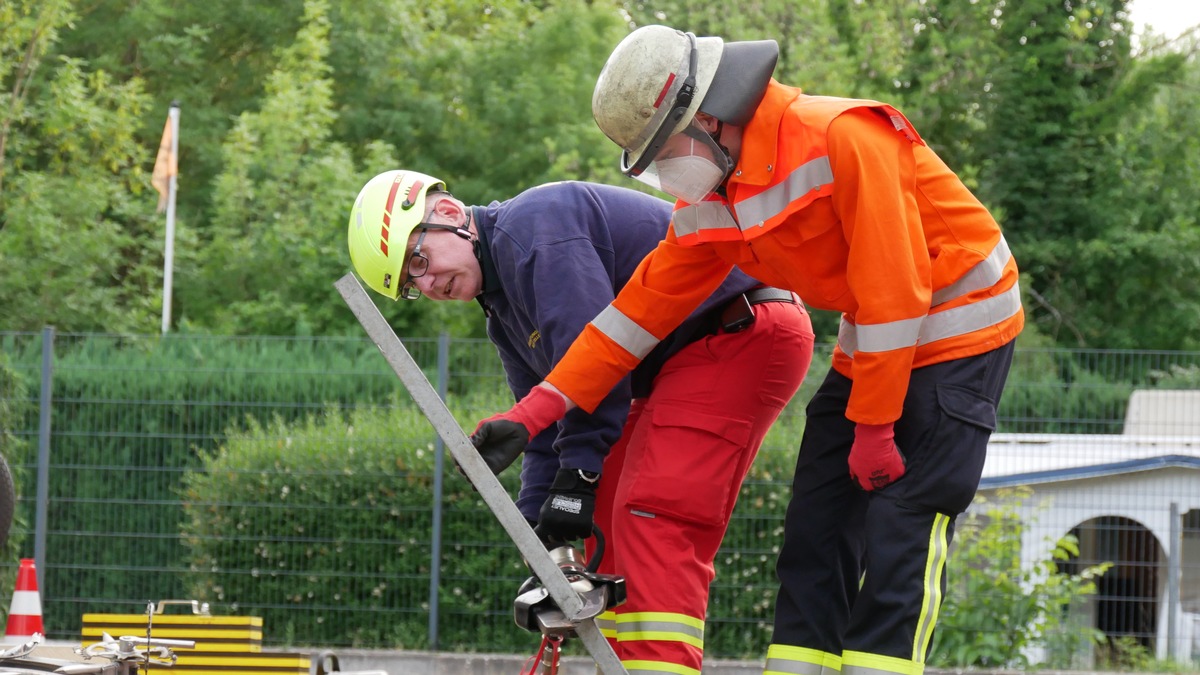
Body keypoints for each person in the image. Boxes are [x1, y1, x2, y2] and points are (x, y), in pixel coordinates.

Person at [469, 25, 1024, 675]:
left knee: (901, 532)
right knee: (815, 530)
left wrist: (874, 424)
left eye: (660, 150)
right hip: (875, 338)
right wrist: (533, 412)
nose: (660, 171)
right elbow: (630, 320)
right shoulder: (717, 196)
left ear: (705, 114)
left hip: (962, 329)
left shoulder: (844, 137)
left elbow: (895, 289)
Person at [346, 170, 814, 672]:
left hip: (735, 333)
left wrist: (578, 478)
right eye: (410, 286)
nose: (428, 283)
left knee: (648, 514)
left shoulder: (535, 228)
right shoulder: (504, 312)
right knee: (605, 520)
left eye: (418, 260)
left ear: (449, 215)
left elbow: (600, 365)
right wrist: (538, 533)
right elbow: (546, 425)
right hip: (686, 355)